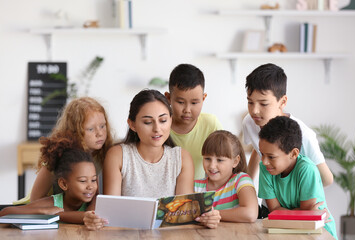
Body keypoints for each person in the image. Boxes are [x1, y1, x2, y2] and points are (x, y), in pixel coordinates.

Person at [83, 89, 221, 230]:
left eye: (163, 121)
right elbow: (111, 214)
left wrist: (207, 218)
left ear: (171, 121)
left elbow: (184, 216)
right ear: (132, 124)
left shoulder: (182, 158)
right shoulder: (118, 155)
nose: (157, 128)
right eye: (148, 122)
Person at [242, 63, 333, 187]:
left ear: (283, 102)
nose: (254, 111)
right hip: (271, 200)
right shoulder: (249, 122)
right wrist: (247, 185)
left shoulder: (304, 135)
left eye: (263, 104)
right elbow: (257, 150)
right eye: (250, 102)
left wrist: (303, 199)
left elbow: (326, 179)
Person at [258, 116, 337, 239]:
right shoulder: (265, 168)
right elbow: (274, 210)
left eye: (271, 156)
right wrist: (303, 213)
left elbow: (305, 217)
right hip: (288, 230)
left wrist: (291, 213)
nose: (264, 161)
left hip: (319, 232)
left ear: (294, 154)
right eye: (262, 154)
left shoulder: (306, 169)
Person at [27, 97, 113, 203]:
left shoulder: (105, 154)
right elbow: (35, 199)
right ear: (75, 131)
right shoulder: (58, 155)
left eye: (102, 126)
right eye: (91, 129)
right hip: (44, 212)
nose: (99, 133)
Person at [1, 139, 98, 224]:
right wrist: (41, 211)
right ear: (64, 184)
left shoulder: (93, 203)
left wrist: (58, 215)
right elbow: (4, 213)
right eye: (83, 181)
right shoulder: (52, 203)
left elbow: (86, 216)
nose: (90, 186)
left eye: (93, 180)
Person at [165, 63, 223, 180]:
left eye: (194, 103)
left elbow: (224, 163)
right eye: (180, 102)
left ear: (203, 98)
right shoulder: (160, 126)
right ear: (168, 98)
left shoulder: (211, 124)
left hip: (199, 193)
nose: (187, 110)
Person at [194, 130, 258, 222]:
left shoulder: (240, 180)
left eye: (219, 160)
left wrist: (213, 215)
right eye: (207, 159)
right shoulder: (195, 187)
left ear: (235, 161)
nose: (212, 166)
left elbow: (250, 214)